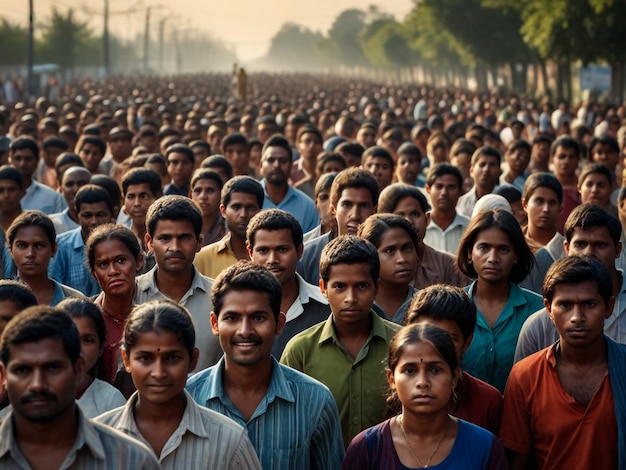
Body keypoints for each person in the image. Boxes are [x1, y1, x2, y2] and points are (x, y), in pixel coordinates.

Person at [186, 261, 345, 469]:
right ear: (215, 323)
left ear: (279, 323)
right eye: (232, 318)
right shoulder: (188, 398)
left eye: (258, 318)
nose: (245, 330)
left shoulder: (315, 401)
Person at [96, 300, 262, 469]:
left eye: (172, 358)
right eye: (145, 358)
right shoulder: (96, 440)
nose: (159, 373)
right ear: (126, 360)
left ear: (193, 360)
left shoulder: (229, 442)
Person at [500, 256, 626, 469]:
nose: (577, 317)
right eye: (565, 305)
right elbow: (517, 460)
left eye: (589, 304)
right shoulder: (525, 376)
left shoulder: (622, 365)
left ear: (609, 306)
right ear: (548, 309)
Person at [0, 306, 160, 469]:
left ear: (78, 369)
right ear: (4, 375)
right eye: (22, 370)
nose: (37, 385)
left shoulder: (132, 461)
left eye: (53, 367)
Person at [281, 235, 401, 447]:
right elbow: (286, 423)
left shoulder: (400, 344)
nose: (351, 298)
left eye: (362, 286)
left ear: (377, 287)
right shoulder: (300, 350)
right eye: (339, 287)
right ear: (323, 288)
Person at [342, 323, 507, 469]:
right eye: (410, 371)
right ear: (392, 379)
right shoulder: (368, 447)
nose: (422, 382)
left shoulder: (484, 447)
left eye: (435, 370)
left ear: (454, 378)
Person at [515, 204, 626, 360]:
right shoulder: (538, 327)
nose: (589, 253)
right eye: (580, 244)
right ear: (566, 248)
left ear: (617, 250)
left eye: (600, 245)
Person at [456, 209, 542, 392]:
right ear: (470, 252)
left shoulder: (539, 310)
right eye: (484, 248)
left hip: (521, 417)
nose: (493, 258)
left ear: (516, 256)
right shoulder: (453, 307)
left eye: (503, 249)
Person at [136, 195, 221, 372]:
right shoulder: (130, 293)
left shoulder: (220, 297)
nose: (175, 247)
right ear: (149, 243)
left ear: (199, 242)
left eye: (184, 238)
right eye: (165, 238)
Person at [404, 285, 503, 435]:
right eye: (424, 336)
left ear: (466, 343)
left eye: (447, 339)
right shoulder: (397, 391)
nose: (435, 348)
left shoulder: (488, 401)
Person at [246, 209, 330, 357]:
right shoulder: (236, 309)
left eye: (282, 249)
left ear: (300, 251)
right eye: (263, 250)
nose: (272, 259)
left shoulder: (326, 306)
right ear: (250, 252)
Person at [85, 223, 144, 393]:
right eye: (103, 265)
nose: (113, 271)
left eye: (121, 260)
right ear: (94, 272)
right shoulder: (85, 321)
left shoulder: (154, 319)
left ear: (139, 261)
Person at [378, 183, 467, 289]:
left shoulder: (450, 266)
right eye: (400, 215)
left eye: (415, 214)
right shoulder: (374, 264)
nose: (409, 221)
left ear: (427, 219)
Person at [297, 167, 378, 285]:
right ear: (333, 209)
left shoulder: (383, 254)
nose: (355, 215)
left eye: (364, 206)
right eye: (347, 205)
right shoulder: (307, 256)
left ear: (374, 211)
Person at [58, 297, 126, 418]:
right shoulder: (38, 392)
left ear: (100, 348)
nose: (77, 348)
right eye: (69, 337)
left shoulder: (111, 401)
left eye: (87, 340)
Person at [7, 210, 83, 305]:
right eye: (22, 246)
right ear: (10, 250)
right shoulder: (2, 297)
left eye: (39, 245)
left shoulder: (74, 300)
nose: (30, 254)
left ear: (53, 250)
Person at [51, 184, 115, 296]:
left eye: (100, 214)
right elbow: (54, 288)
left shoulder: (123, 244)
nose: (94, 221)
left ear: (113, 213)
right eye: (87, 216)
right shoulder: (61, 246)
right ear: (77, 216)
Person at [194, 175, 263, 278]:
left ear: (260, 212)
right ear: (223, 211)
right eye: (236, 207)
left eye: (250, 208)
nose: (243, 214)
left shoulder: (271, 258)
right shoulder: (202, 258)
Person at [358, 214, 418, 324]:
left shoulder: (427, 306)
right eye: (390, 251)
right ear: (371, 255)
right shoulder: (357, 308)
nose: (402, 259)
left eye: (407, 248)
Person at [259, 134, 318, 233]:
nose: (276, 165)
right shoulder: (248, 200)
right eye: (271, 160)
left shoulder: (307, 206)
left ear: (291, 167)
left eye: (283, 161)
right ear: (260, 166)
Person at [8, 136, 66, 214]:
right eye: (18, 158)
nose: (22, 164)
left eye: (28, 159)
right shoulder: (3, 195)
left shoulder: (52, 197)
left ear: (37, 161)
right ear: (10, 160)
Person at [121, 167, 161, 272]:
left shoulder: (168, 238)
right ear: (123, 199)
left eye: (144, 196)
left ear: (158, 196)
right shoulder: (120, 239)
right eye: (131, 197)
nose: (137, 203)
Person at [424, 163, 470, 255]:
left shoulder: (469, 228)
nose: (444, 193)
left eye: (451, 187)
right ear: (428, 189)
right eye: (439, 186)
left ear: (460, 191)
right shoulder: (419, 228)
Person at [456, 146, 502, 219]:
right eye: (482, 165)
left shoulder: (506, 199)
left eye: (492, 165)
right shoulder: (460, 204)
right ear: (471, 170)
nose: (486, 169)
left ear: (500, 171)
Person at [551, 136, 582, 233]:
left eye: (571, 157)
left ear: (578, 159)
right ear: (553, 159)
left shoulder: (586, 186)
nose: (566, 161)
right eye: (562, 156)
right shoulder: (546, 187)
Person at [189, 168, 226, 246]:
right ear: (190, 195)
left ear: (221, 194)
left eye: (210, 191)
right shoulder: (183, 225)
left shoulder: (227, 229)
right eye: (198, 191)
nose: (203, 197)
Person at [49, 166, 91, 235]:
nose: (75, 189)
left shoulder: (103, 220)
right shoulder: (52, 224)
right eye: (69, 185)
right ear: (61, 190)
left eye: (81, 183)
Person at [0, 165, 25, 233]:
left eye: (11, 190)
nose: (6, 196)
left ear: (22, 192)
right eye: (1, 190)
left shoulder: (33, 222)